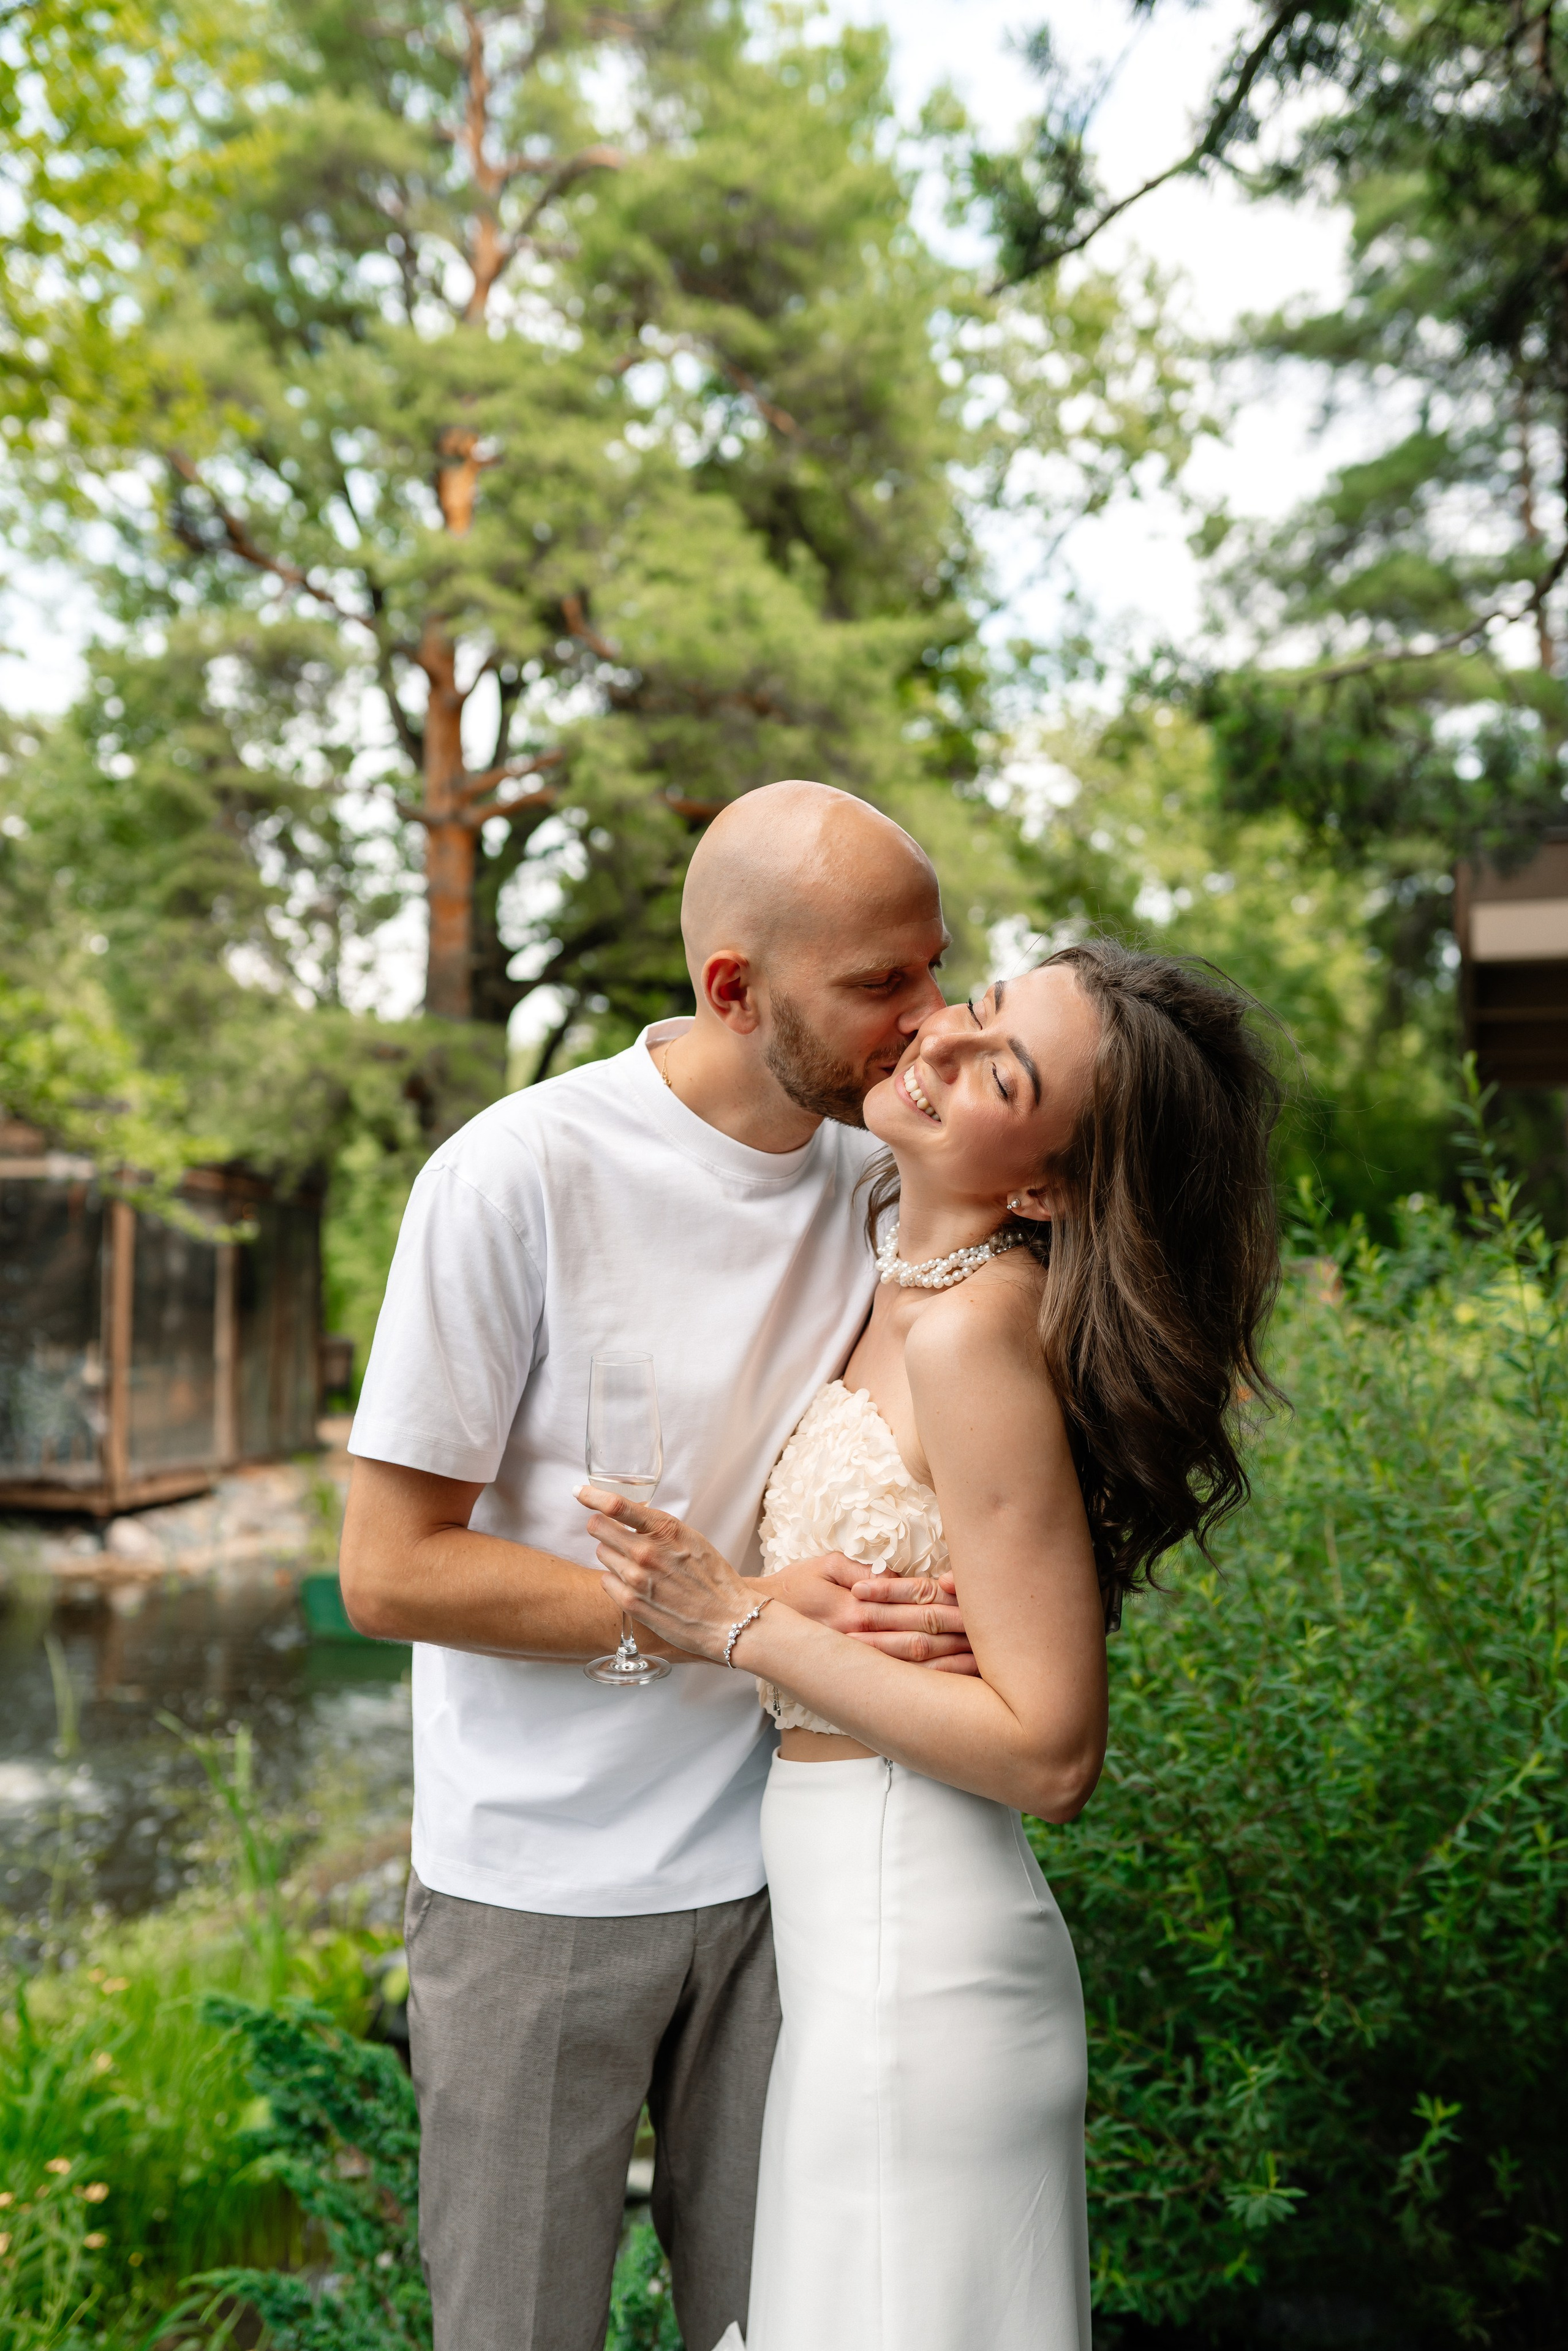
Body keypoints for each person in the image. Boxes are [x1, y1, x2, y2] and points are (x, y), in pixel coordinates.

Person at [338, 780, 983, 2351]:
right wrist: (730, 1622)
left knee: (787, 2328)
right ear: (733, 989)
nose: (930, 1021)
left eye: (936, 967)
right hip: (535, 1889)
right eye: (881, 985)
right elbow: (390, 1571)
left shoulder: (887, 1172)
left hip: (797, 1869)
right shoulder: (514, 1176)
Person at [582, 938, 1283, 2351]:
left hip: (922, 1962)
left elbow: (1051, 1747)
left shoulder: (975, 1334)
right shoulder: (883, 1256)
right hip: (850, 1954)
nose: (939, 1048)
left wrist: (735, 1619)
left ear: (1043, 1183)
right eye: (976, 1012)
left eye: (998, 1071)